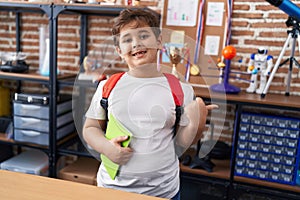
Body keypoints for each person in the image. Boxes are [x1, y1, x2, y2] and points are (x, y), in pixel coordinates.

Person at [83, 8, 217, 200]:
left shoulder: (181, 90)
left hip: (163, 192)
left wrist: (197, 121)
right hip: (111, 189)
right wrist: (107, 148)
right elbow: (90, 128)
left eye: (144, 35)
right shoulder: (108, 86)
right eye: (127, 39)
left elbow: (181, 144)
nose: (136, 43)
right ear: (119, 51)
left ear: (159, 41)